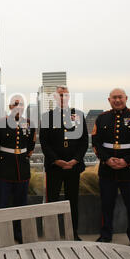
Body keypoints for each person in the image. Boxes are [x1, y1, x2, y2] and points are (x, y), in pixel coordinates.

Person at [92, 88, 130, 248]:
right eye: (114, 97)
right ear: (109, 100)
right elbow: (96, 143)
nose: (117, 100)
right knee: (106, 206)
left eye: (120, 97)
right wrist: (107, 159)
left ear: (126, 98)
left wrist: (126, 161)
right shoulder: (102, 118)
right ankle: (106, 235)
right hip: (107, 170)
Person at [39, 86, 88, 240]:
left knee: (72, 201)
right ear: (55, 98)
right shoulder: (47, 117)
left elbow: (84, 141)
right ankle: (52, 234)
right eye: (60, 95)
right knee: (52, 201)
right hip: (55, 167)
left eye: (65, 95)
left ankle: (72, 233)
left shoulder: (78, 115)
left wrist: (75, 160)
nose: (62, 97)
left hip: (73, 166)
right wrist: (56, 160)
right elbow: (44, 142)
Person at [0, 95, 36, 244]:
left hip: (22, 169)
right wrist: (1, 162)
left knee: (21, 204)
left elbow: (31, 145)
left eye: (21, 104)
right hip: (4, 169)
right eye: (15, 104)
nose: (19, 107)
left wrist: (25, 159)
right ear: (10, 107)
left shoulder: (29, 124)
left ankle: (19, 233)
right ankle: (0, 235)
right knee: (2, 205)